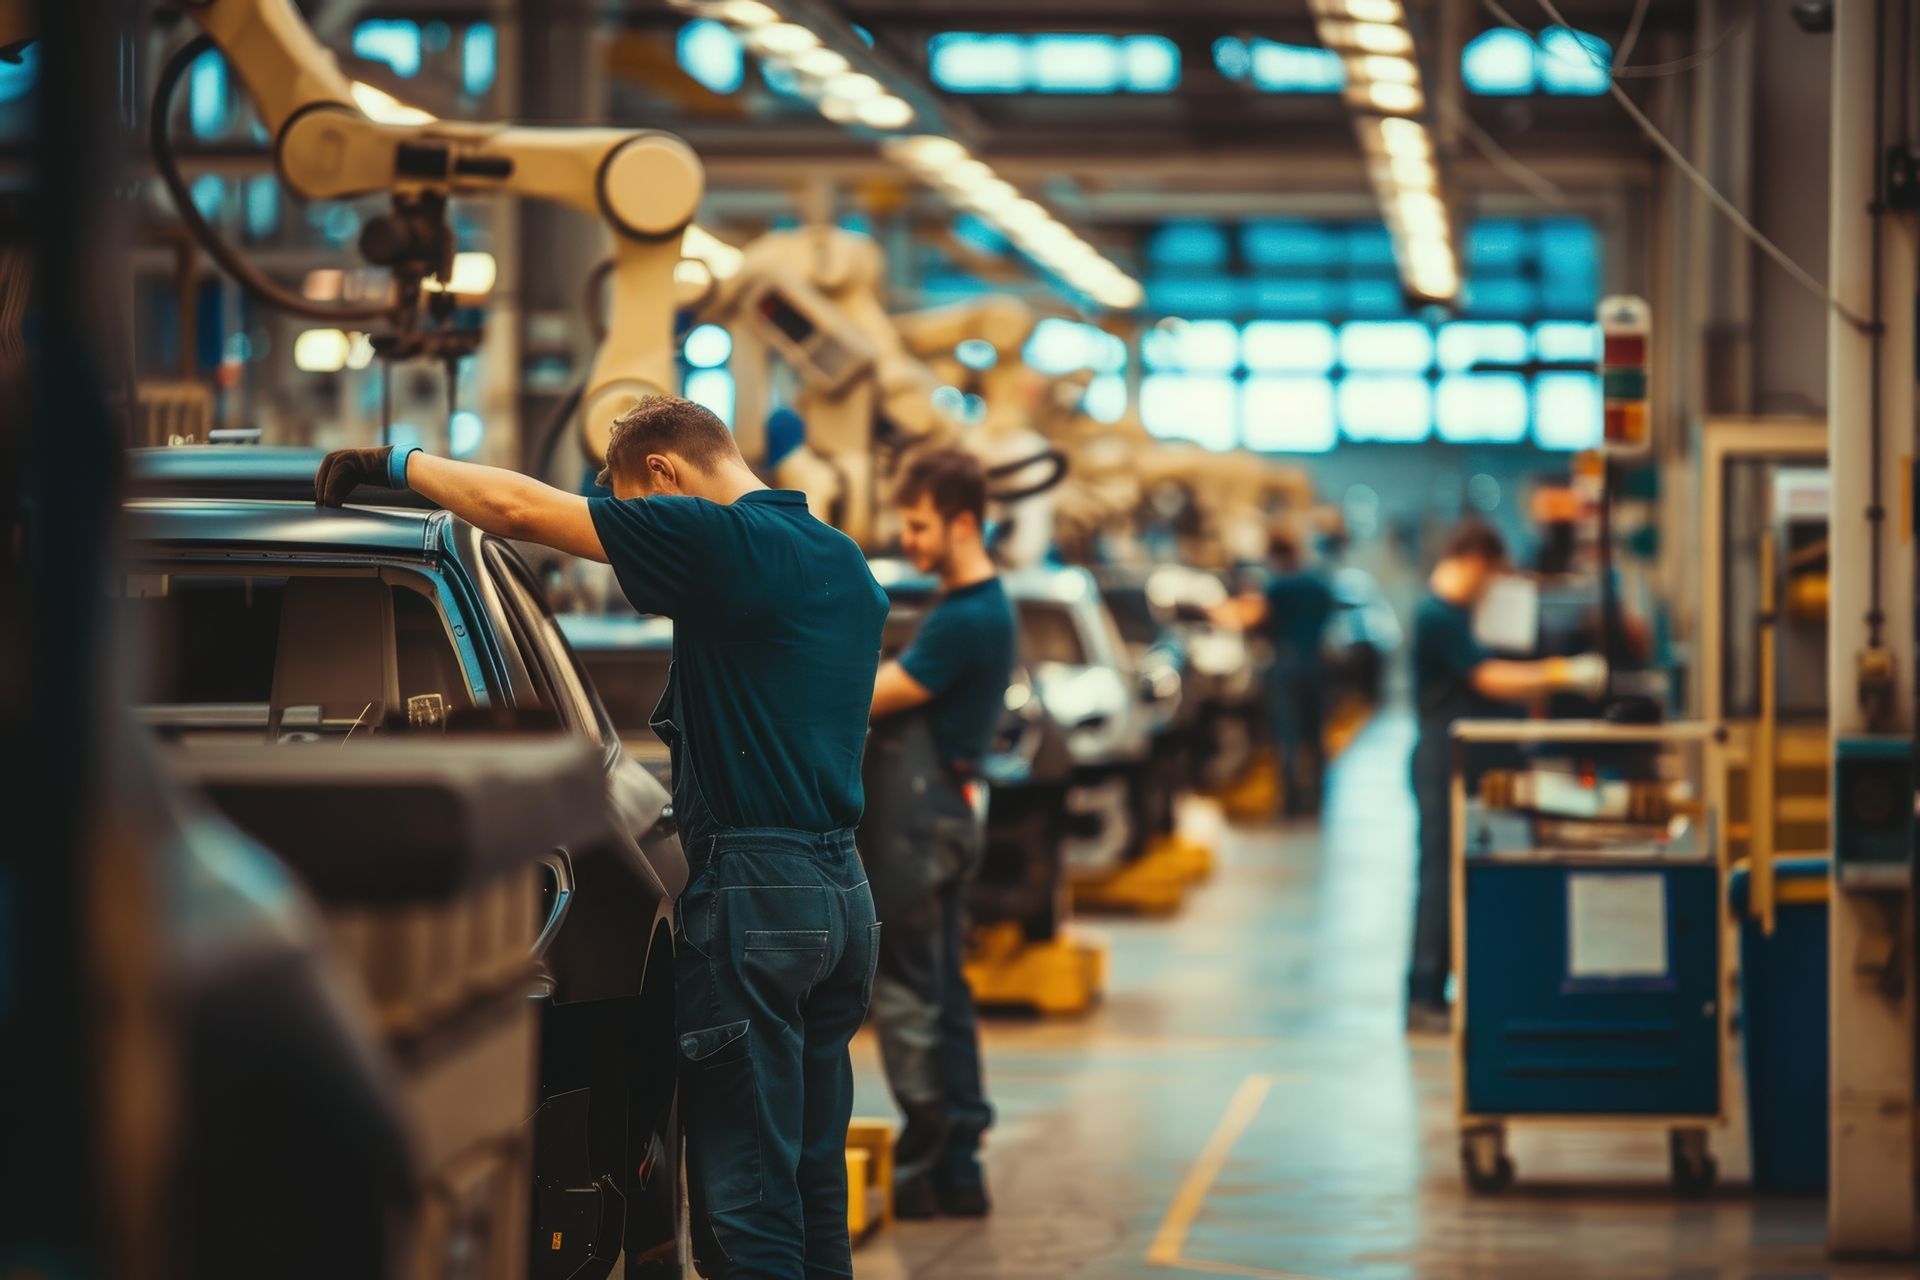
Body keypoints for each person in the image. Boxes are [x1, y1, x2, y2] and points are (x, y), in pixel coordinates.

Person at [315, 396, 889, 1280]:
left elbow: (518, 511)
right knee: (811, 1178)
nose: (631, 528)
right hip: (842, 895)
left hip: (756, 898)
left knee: (744, 1204)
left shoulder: (718, 539)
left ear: (662, 476)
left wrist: (394, 464)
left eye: (631, 506)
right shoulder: (841, 561)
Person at [862, 447, 1016, 1220]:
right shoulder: (971, 605)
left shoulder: (968, 618)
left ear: (963, 522)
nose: (909, 539)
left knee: (910, 997)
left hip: (919, 830)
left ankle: (925, 1167)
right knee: (943, 993)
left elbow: (882, 695)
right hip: (944, 817)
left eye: (919, 525)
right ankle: (958, 1162)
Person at [1405, 519, 1605, 1035]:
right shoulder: (1438, 616)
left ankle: (1448, 987)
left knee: (1458, 872)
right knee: (1440, 878)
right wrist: (1559, 673)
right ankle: (1424, 996)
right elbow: (1487, 678)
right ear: (1475, 562)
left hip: (1467, 756)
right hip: (1440, 758)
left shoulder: (1462, 615)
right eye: (1493, 575)